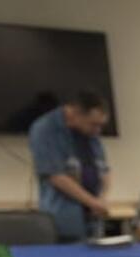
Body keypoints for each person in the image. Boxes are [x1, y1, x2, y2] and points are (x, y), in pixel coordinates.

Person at [28, 89, 111, 241]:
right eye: (93, 125)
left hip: (93, 221)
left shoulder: (91, 133)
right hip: (63, 221)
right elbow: (56, 176)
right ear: (75, 113)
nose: (97, 131)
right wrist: (93, 202)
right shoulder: (44, 129)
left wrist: (102, 199)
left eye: (101, 126)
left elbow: (104, 169)